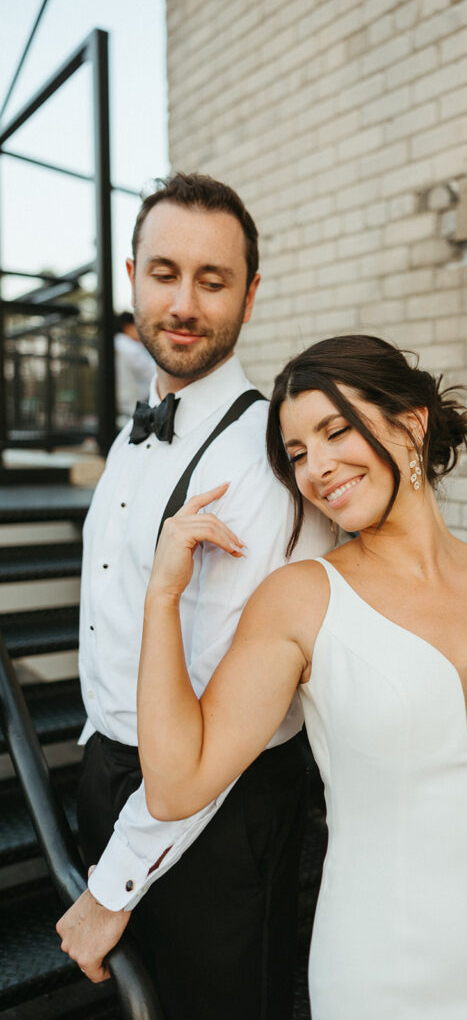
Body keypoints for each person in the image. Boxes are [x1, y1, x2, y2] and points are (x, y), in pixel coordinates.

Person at [137, 334, 467, 1020]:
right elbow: (174, 783)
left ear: (411, 422)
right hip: (383, 981)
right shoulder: (302, 599)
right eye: (298, 454)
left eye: (336, 430)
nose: (317, 469)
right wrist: (161, 597)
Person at [56, 173, 333, 1019]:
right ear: (133, 276)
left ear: (249, 296)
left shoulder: (264, 461)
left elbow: (221, 718)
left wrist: (110, 888)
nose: (182, 302)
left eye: (211, 281)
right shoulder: (133, 427)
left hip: (219, 811)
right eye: (164, 273)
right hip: (111, 776)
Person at [114, 310, 156, 427]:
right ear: (127, 327)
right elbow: (153, 373)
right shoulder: (129, 347)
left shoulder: (116, 344)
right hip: (131, 410)